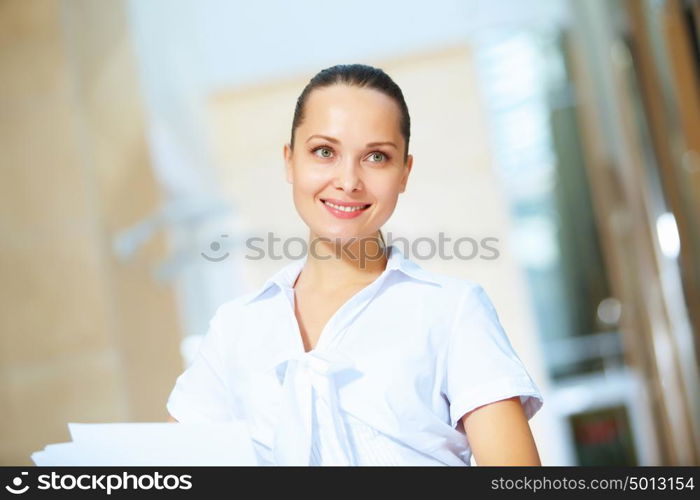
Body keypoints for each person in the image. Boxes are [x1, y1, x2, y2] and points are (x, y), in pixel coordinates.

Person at [166, 63, 544, 466]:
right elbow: (168, 470)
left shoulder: (453, 312)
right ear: (290, 161)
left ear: (404, 173)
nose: (348, 180)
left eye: (376, 157)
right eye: (324, 152)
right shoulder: (235, 329)